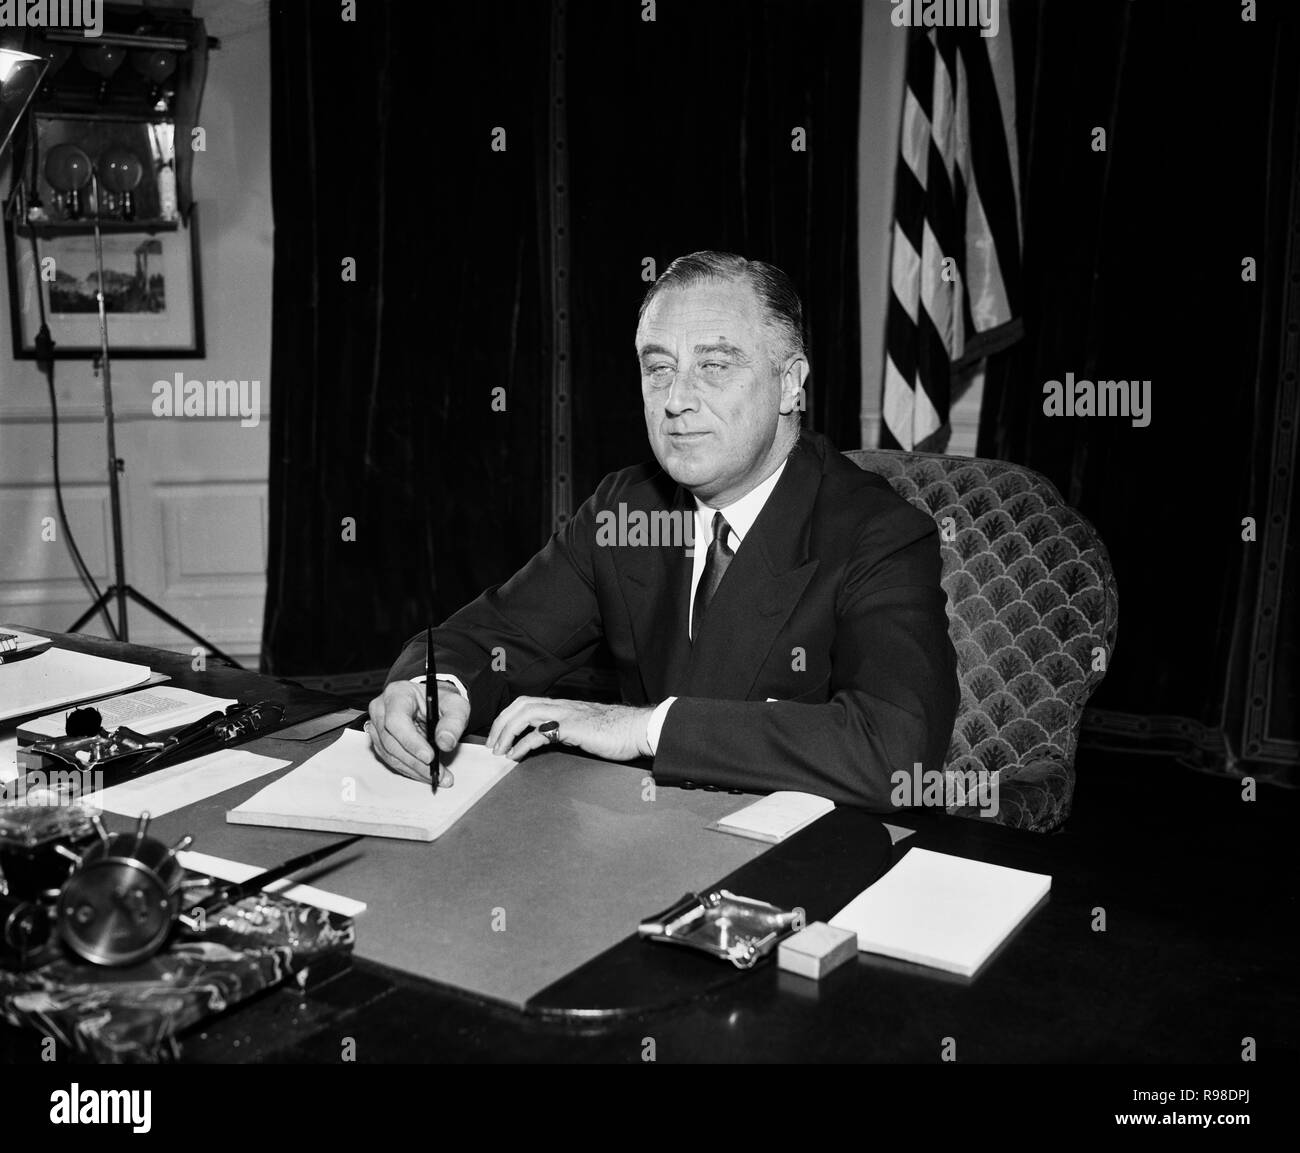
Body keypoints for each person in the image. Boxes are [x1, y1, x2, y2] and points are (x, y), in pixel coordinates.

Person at [366, 251, 958, 809]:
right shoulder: (626, 512)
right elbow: (495, 636)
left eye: (714, 366)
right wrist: (433, 688)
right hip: (642, 838)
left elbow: (899, 752)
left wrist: (645, 727)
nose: (676, 400)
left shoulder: (877, 532)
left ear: (791, 383)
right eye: (659, 369)